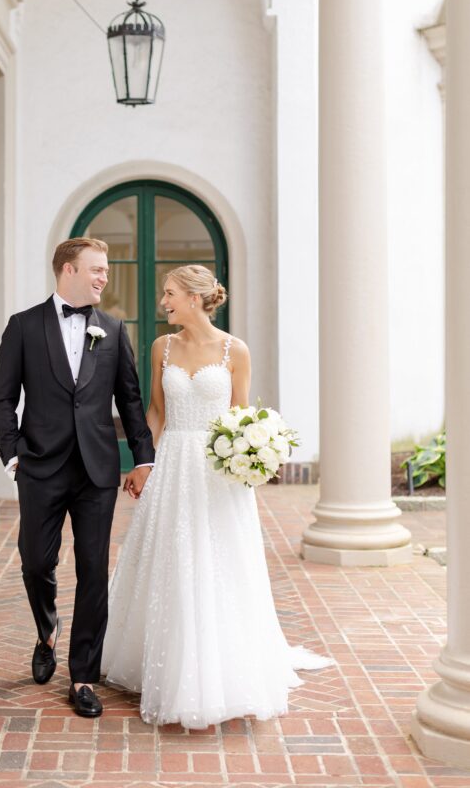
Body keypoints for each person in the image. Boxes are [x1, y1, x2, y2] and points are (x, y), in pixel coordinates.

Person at [101, 265, 333, 728]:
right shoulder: (161, 348)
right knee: (170, 557)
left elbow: (242, 416)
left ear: (193, 297)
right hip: (171, 464)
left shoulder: (235, 350)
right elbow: (156, 411)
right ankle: (166, 658)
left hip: (216, 470)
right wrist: (142, 463)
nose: (162, 302)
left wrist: (250, 456)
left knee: (218, 561)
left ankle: (220, 664)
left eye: (168, 293)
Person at [0, 238, 154, 719]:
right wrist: (12, 453)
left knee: (93, 569)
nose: (104, 277)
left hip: (97, 470)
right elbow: (2, 398)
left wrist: (143, 459)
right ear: (68, 270)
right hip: (39, 465)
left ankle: (83, 675)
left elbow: (129, 400)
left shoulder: (113, 329)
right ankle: (47, 631)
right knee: (34, 562)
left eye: (105, 270)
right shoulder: (23, 327)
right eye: (97, 269)